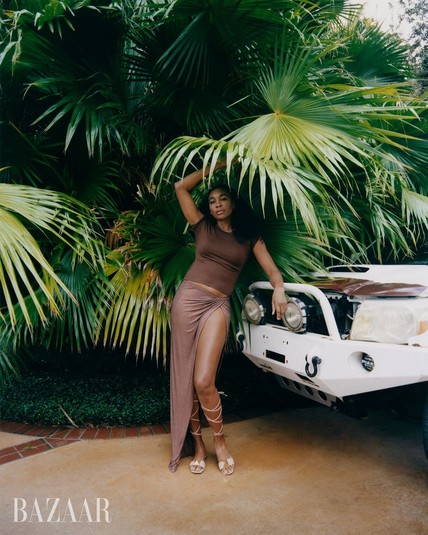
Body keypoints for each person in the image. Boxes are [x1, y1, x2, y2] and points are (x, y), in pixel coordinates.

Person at [169, 161, 287, 475]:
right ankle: (198, 445)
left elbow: (272, 270)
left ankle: (219, 441)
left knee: (203, 379)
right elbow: (180, 187)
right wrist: (218, 163)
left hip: (217, 305)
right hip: (187, 300)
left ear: (233, 202)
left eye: (222, 198)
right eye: (212, 201)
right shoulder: (201, 225)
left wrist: (279, 288)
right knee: (186, 379)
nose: (217, 204)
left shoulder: (249, 236)